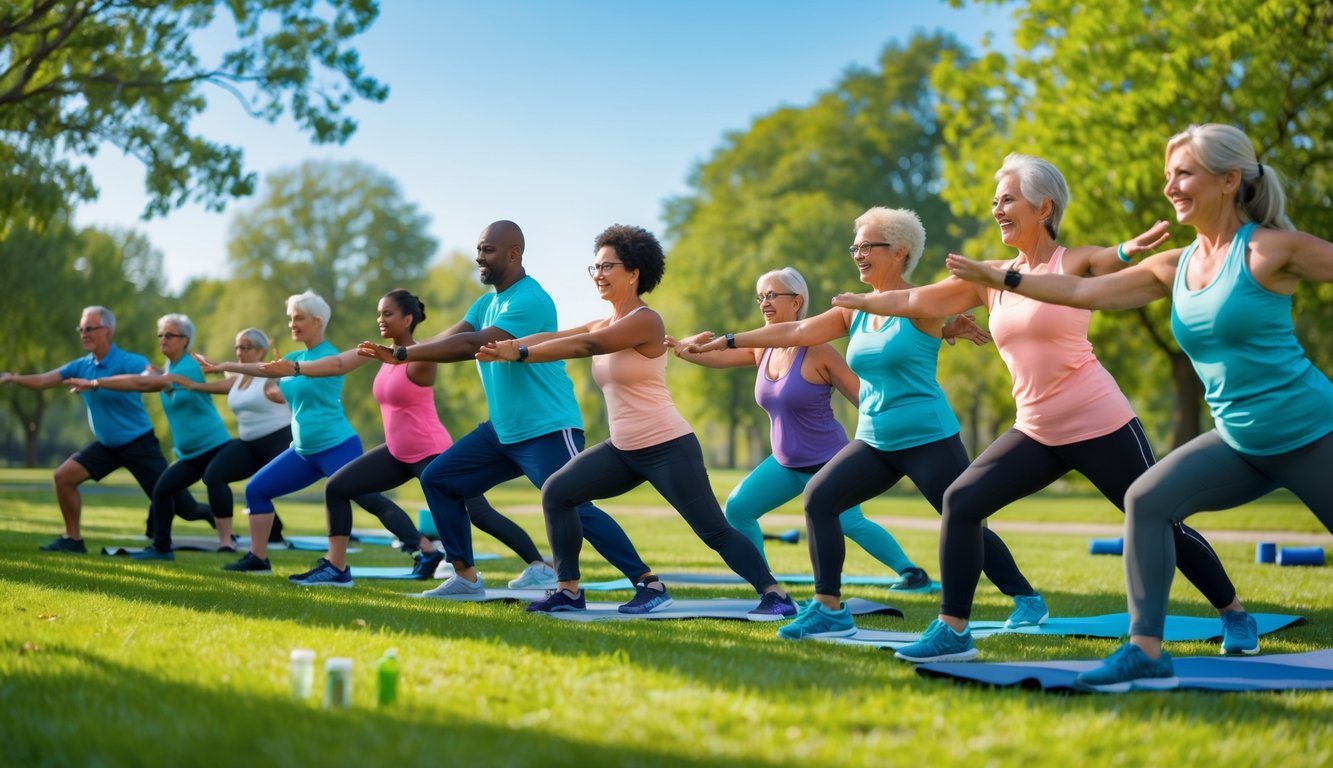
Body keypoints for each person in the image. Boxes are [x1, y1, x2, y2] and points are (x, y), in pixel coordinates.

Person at [945, 126, 1332, 691]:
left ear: (1229, 181)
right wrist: (998, 276)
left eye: (1185, 173)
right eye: (1169, 175)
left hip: (1310, 434)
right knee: (1146, 501)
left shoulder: (1270, 250)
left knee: (1144, 499)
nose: (1172, 186)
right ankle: (1146, 650)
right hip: (1239, 442)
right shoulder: (1174, 267)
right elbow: (1081, 293)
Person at [835, 156, 1247, 664]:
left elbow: (1103, 265)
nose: (997, 209)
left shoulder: (1068, 262)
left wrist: (1126, 250)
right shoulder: (992, 277)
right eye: (995, 202)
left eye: (1007, 199)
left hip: (1101, 422)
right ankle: (953, 628)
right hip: (1036, 429)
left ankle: (1233, 611)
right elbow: (917, 301)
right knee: (962, 502)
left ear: (1043, 206)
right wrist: (861, 301)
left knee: (1159, 519)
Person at [687, 207, 1032, 641]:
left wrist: (946, 329)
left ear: (900, 252)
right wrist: (733, 339)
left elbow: (934, 308)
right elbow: (796, 333)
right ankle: (829, 608)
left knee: (965, 521)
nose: (859, 254)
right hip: (875, 439)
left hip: (928, 438)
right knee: (820, 499)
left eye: (869, 246)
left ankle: (1024, 596)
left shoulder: (922, 304)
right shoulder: (854, 311)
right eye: (856, 247)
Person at [477, 224, 797, 618]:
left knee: (712, 529)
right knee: (557, 492)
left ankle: (775, 595)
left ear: (634, 273)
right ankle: (575, 589)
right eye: (594, 268)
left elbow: (587, 346)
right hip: (623, 448)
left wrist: (521, 353)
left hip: (667, 445)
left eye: (607, 266)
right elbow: (557, 336)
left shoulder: (647, 321)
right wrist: (510, 345)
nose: (598, 275)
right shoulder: (601, 322)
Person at [357, 220, 657, 604]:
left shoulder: (529, 299)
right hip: (502, 431)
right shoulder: (485, 303)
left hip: (546, 427)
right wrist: (404, 352)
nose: (480, 257)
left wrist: (402, 354)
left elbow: (474, 344)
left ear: (514, 253)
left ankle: (646, 582)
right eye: (479, 249)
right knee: (438, 478)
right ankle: (465, 576)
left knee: (572, 504)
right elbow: (451, 337)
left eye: (489, 250)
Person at [257, 289, 550, 588]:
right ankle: (336, 568)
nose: (380, 320)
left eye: (388, 314)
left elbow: (448, 346)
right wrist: (291, 368)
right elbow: (337, 364)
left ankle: (539, 565)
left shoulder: (421, 356)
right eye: (379, 314)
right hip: (397, 453)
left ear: (408, 319)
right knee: (337, 487)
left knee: (479, 512)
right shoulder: (384, 355)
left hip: (430, 452)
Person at [667, 266, 930, 590]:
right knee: (738, 509)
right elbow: (715, 358)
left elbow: (865, 398)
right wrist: (683, 349)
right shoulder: (762, 348)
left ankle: (912, 573)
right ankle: (767, 586)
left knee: (851, 523)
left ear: (797, 301)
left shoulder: (819, 351)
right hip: (784, 463)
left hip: (828, 461)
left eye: (772, 295)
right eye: (761, 296)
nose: (764, 302)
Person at [197, 290, 412, 574]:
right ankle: (258, 558)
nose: (292, 324)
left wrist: (287, 373)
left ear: (317, 321)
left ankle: (422, 546)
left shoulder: (328, 356)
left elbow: (309, 371)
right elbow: (266, 372)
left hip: (336, 446)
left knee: (367, 499)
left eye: (298, 318)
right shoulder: (294, 356)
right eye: (290, 319)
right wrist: (227, 366)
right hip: (303, 451)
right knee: (256, 490)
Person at [0, 306, 204, 551]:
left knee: (185, 508)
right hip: (107, 446)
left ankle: (212, 524)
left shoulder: (129, 361)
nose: (84, 334)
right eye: (82, 329)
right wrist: (12, 378)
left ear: (108, 331)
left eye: (90, 329)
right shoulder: (81, 365)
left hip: (139, 442)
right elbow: (44, 380)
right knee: (63, 477)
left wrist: (154, 373)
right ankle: (72, 539)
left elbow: (151, 378)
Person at [66, 313, 233, 559]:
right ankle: (162, 547)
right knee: (165, 492)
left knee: (173, 490)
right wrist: (157, 372)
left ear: (185, 340)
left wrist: (95, 383)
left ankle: (176, 546)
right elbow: (152, 378)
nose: (163, 339)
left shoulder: (188, 366)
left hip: (213, 445)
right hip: (190, 452)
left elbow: (140, 384)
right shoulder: (170, 367)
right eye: (161, 335)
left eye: (170, 335)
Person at [169, 328, 292, 551]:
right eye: (237, 347)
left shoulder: (270, 377)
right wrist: (187, 383)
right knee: (213, 475)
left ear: (261, 351)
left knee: (261, 488)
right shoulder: (237, 379)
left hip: (279, 442)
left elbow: (280, 391)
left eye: (245, 347)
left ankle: (275, 531)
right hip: (249, 444)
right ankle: (226, 541)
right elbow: (211, 383)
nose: (239, 352)